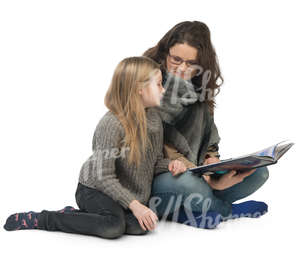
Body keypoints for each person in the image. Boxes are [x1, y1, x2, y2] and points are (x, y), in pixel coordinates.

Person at [4, 56, 220, 238]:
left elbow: (151, 163)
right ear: (139, 89)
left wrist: (171, 165)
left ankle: (79, 216)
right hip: (95, 188)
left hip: (124, 190)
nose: (163, 90)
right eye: (158, 84)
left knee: (139, 227)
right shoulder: (112, 124)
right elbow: (103, 177)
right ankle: (45, 218)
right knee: (113, 227)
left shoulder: (153, 119)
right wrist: (135, 205)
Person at [143, 21, 269, 223]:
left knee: (258, 172)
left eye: (191, 63)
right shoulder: (148, 84)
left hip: (196, 170)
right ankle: (222, 209)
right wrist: (207, 179)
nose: (182, 68)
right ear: (164, 54)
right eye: (176, 59)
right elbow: (152, 147)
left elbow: (209, 138)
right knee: (188, 185)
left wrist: (212, 161)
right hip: (158, 176)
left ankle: (194, 207)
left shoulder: (199, 91)